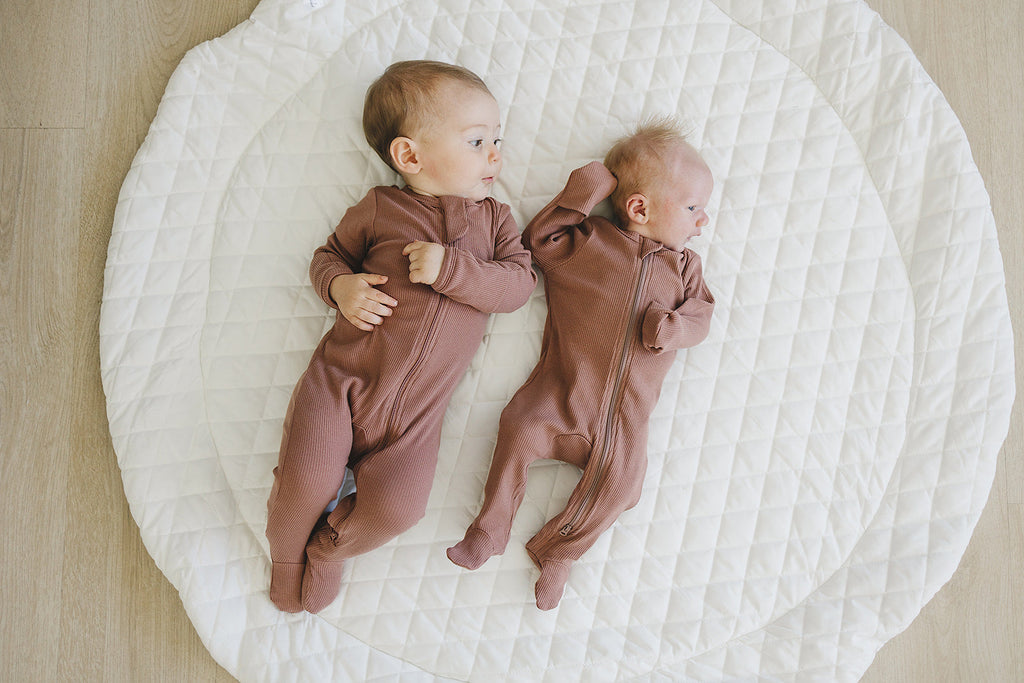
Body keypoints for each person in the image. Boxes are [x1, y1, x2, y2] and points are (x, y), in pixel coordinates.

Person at [266, 60, 537, 613]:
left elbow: (517, 288)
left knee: (399, 508)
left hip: (418, 418)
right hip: (342, 382)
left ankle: (329, 551)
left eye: (497, 140)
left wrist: (452, 270)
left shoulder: (496, 223)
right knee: (305, 479)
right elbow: (327, 258)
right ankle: (287, 559)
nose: (495, 155)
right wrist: (340, 287)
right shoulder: (380, 209)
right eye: (477, 140)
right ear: (409, 156)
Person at [447, 118, 716, 610]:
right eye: (694, 208)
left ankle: (559, 551)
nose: (703, 222)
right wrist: (583, 191)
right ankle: (491, 525)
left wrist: (676, 328)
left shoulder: (685, 269)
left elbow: (703, 315)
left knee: (624, 483)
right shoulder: (587, 242)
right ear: (639, 207)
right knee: (519, 427)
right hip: (559, 395)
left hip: (623, 424)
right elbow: (539, 243)